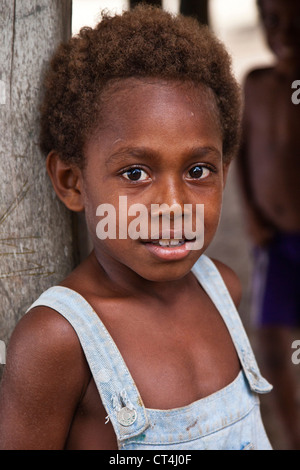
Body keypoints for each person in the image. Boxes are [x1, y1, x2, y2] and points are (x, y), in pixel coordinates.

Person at [0, 5, 272, 450]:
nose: (173, 205)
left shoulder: (223, 290)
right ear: (72, 182)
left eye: (199, 170)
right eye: (134, 174)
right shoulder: (58, 340)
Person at [237, 0, 300, 450]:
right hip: (274, 242)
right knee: (272, 342)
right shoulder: (256, 85)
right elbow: (242, 155)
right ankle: (294, 436)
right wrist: (254, 216)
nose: (286, 33)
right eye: (274, 21)